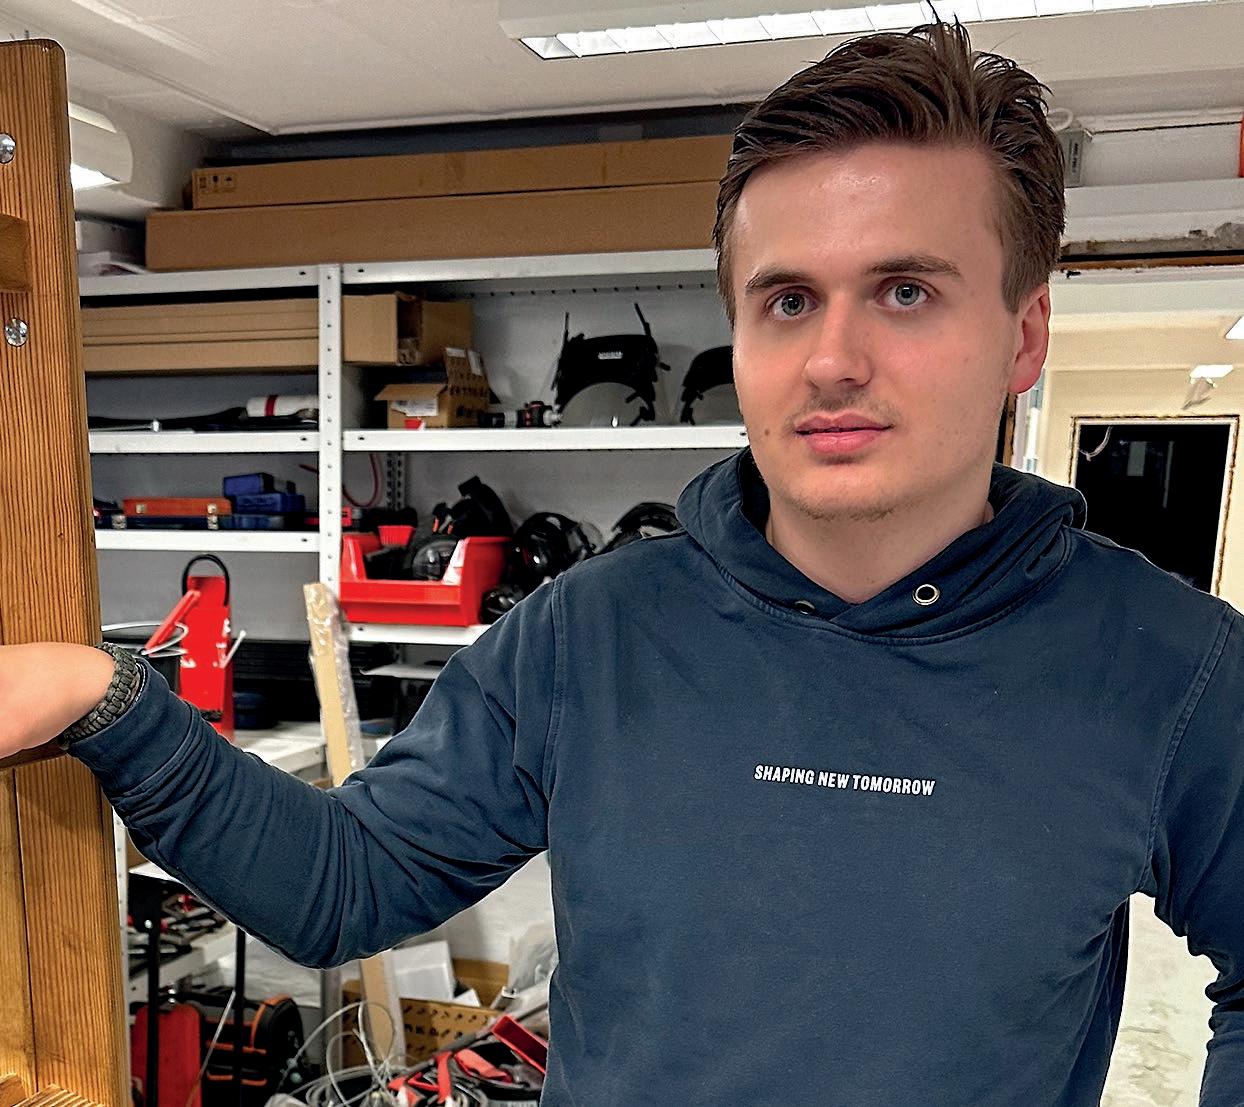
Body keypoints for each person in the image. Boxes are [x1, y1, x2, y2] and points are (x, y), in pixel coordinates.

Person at [2, 20, 1241, 1105]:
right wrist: (104, 699)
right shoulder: (585, 636)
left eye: (905, 291)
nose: (831, 360)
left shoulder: (1171, 670)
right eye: (786, 300)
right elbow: (341, 886)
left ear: (1023, 334)